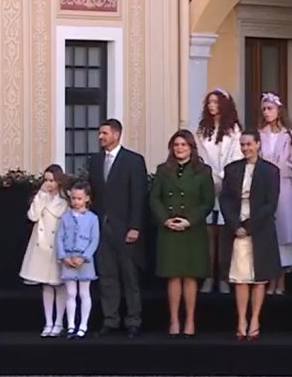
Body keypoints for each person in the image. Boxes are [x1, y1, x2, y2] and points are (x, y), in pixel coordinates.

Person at [86, 118, 148, 338]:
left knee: (129, 276)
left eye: (104, 133)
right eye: (100, 133)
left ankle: (133, 321)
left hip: (125, 228)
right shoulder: (95, 161)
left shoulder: (133, 161)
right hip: (102, 228)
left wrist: (135, 226)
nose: (100, 137)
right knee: (107, 276)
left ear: (116, 134)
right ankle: (110, 320)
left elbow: (139, 196)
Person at [149, 130, 214, 338]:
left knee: (190, 276)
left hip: (192, 229)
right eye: (176, 145)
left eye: (183, 145)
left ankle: (190, 320)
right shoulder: (163, 170)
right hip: (169, 228)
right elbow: (154, 198)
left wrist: (190, 220)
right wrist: (164, 219)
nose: (179, 148)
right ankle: (174, 320)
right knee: (173, 275)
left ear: (191, 147)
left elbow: (207, 201)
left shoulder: (203, 171)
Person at [219, 130, 282, 341]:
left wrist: (249, 226)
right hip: (237, 230)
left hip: (259, 229)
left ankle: (255, 319)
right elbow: (225, 200)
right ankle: (241, 320)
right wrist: (236, 225)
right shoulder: (232, 169)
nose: (246, 148)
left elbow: (270, 204)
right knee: (240, 278)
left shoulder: (270, 171)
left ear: (258, 144)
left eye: (249, 144)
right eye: (243, 145)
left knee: (259, 278)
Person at [197, 89, 243, 294]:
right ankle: (208, 275)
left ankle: (223, 276)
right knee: (208, 233)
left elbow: (235, 156)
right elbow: (200, 155)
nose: (212, 106)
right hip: (208, 184)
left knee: (225, 234)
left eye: (216, 102)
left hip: (227, 185)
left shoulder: (233, 130)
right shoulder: (202, 129)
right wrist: (210, 175)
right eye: (209, 102)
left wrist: (224, 175)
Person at [258, 93, 292, 296]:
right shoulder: (260, 135)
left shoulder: (291, 136)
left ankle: (281, 280)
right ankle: (269, 277)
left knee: (284, 231)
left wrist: (275, 168)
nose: (267, 112)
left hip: (285, 187)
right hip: (264, 187)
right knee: (268, 232)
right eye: (264, 109)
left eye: (270, 109)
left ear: (279, 111)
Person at [19, 165, 70, 337]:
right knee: (46, 285)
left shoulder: (65, 200)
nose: (48, 184)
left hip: (57, 246)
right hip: (41, 245)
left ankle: (59, 322)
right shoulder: (40, 197)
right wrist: (41, 195)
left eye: (52, 180)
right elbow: (32, 216)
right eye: (46, 180)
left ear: (59, 181)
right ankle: (48, 322)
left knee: (59, 285)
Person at [57, 182, 101, 339]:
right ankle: (70, 325)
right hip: (68, 258)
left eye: (79, 198)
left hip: (85, 261)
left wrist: (84, 257)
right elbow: (59, 238)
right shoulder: (65, 217)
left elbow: (94, 240)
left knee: (84, 293)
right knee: (70, 293)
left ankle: (83, 325)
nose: (76, 201)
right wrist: (64, 256)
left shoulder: (92, 218)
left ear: (87, 199)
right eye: (73, 198)